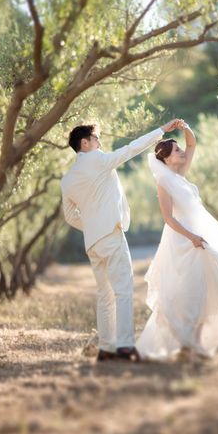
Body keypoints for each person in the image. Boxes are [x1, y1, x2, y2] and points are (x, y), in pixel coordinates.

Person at [136, 120, 218, 359]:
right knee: (187, 291)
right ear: (166, 159)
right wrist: (192, 237)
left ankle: (194, 344)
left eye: (179, 149)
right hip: (184, 242)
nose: (182, 152)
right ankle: (186, 343)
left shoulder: (181, 175)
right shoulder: (164, 182)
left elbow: (192, 143)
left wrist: (183, 127)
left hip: (202, 237)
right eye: (176, 151)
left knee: (207, 288)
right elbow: (168, 218)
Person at [60, 119, 179, 362]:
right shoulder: (100, 161)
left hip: (93, 241)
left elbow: (70, 216)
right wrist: (161, 131)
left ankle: (106, 348)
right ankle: (124, 346)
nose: (99, 142)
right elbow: (132, 149)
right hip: (111, 236)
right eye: (95, 138)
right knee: (123, 290)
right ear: (85, 143)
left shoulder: (68, 179)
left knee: (105, 294)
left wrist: (93, 225)